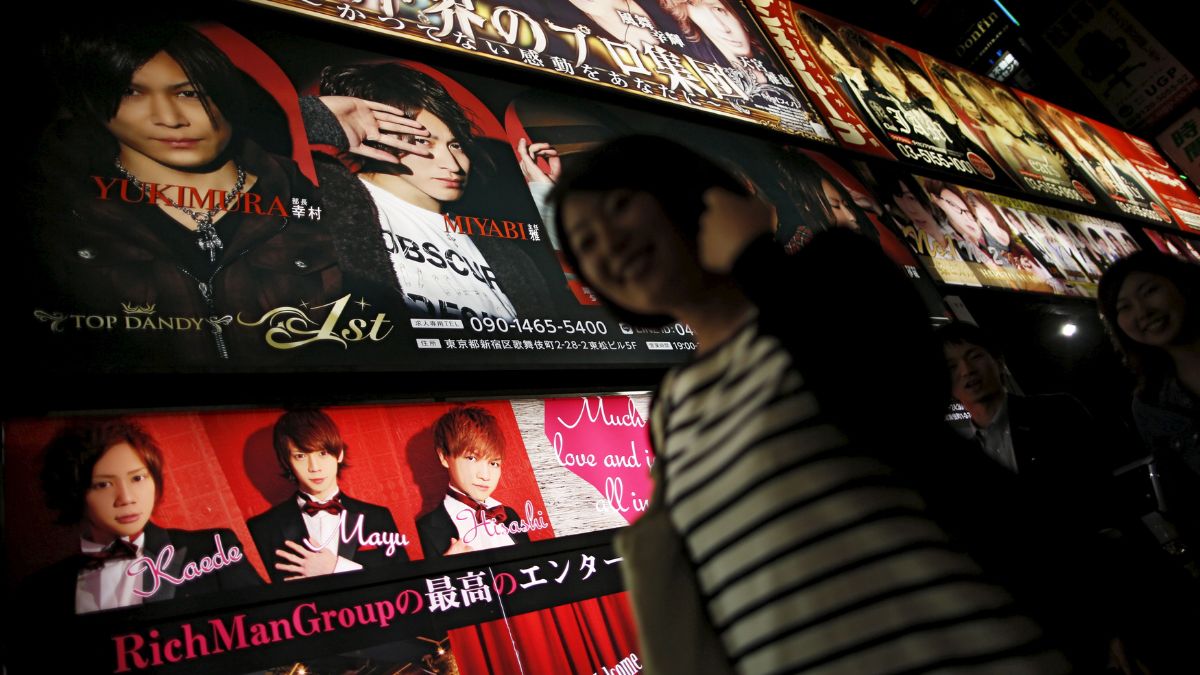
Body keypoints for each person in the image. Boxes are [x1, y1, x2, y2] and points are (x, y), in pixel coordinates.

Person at [549, 134, 1081, 673]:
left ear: (685, 194)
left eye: (618, 208)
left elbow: (894, 402)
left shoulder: (834, 274)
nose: (608, 244)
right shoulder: (672, 405)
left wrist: (753, 257)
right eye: (585, 242)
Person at [36, 22, 344, 364]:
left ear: (226, 97)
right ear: (91, 103)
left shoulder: (315, 205)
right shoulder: (56, 211)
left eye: (190, 92)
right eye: (130, 92)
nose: (169, 118)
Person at [312, 62, 555, 321]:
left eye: (456, 145)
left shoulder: (500, 248)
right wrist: (319, 117)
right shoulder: (330, 200)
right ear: (376, 136)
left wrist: (546, 199)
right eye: (422, 141)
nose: (452, 165)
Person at [25, 419, 260, 615]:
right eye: (103, 484)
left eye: (137, 478)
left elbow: (268, 635)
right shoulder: (40, 590)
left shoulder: (213, 548)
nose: (126, 498)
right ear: (73, 493)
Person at [1098, 252, 1200, 540]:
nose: (1143, 312)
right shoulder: (1151, 403)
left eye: (1150, 291)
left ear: (1182, 286)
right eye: (1124, 307)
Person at [247, 409, 410, 583]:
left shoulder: (378, 517)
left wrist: (337, 568)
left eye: (322, 453)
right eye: (300, 456)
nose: (314, 467)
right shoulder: (263, 528)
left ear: (339, 453)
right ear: (287, 462)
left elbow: (403, 585)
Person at [415, 406, 530, 558]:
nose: (485, 475)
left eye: (494, 463)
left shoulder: (509, 515)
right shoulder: (425, 528)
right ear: (444, 456)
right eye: (472, 458)